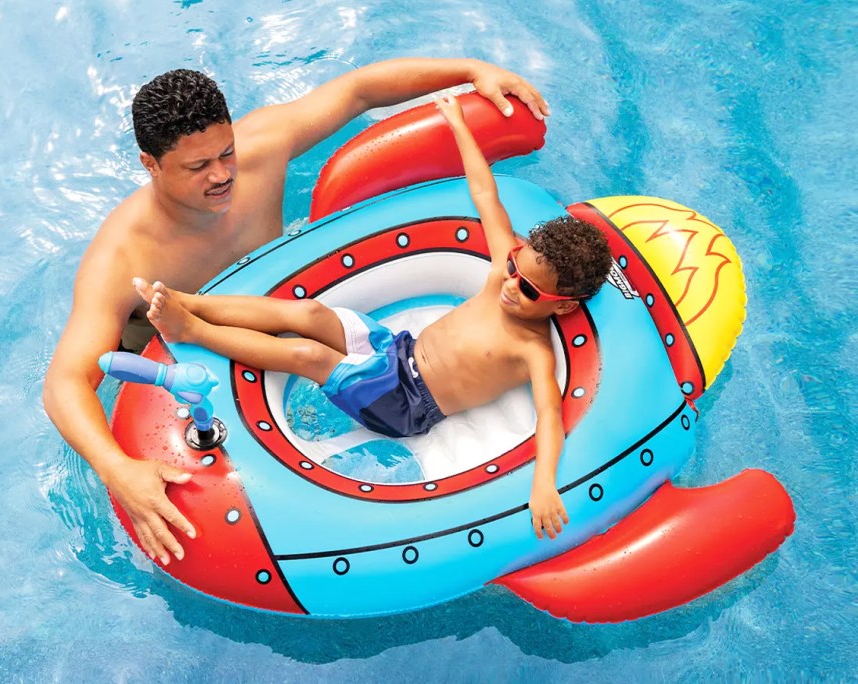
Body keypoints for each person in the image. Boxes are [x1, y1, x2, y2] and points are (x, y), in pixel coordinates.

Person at [44, 59, 551, 568]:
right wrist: (117, 469)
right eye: (198, 168)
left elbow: (358, 91)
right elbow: (65, 382)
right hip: (168, 346)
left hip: (276, 312)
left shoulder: (264, 145)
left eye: (226, 153)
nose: (222, 176)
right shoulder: (121, 258)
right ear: (150, 165)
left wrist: (471, 71)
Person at [130, 94, 611, 547]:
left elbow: (550, 416)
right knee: (310, 313)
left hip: (405, 404)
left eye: (527, 290)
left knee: (309, 354)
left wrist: (545, 484)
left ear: (563, 305)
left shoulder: (532, 349)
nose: (509, 285)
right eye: (513, 268)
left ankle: (191, 329)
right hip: (394, 350)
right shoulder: (504, 272)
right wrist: (461, 126)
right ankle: (188, 302)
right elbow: (485, 193)